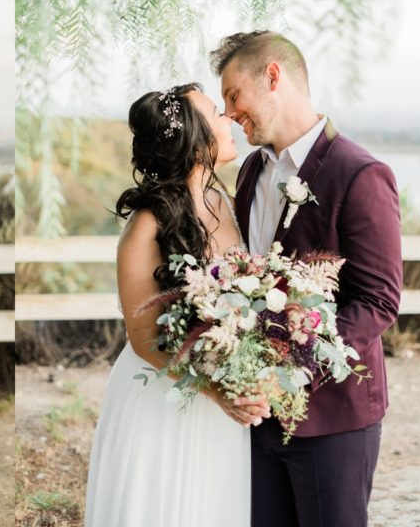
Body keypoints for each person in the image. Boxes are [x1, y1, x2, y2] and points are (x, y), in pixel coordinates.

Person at [213, 30, 402, 527]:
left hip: (334, 417)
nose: (229, 113)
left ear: (272, 76)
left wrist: (289, 371)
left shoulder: (360, 173)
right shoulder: (251, 171)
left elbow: (379, 300)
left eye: (234, 95)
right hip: (256, 420)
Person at [85, 83, 271, 527]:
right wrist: (216, 392)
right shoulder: (147, 225)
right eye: (215, 112)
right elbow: (145, 338)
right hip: (163, 400)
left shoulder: (227, 201)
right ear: (193, 137)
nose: (228, 116)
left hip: (220, 408)